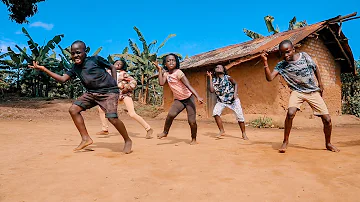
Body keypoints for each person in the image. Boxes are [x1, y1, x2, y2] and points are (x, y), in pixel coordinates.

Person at [28, 40, 132, 153]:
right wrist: (44, 69)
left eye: (78, 52)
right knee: (73, 109)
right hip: (92, 93)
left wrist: (114, 82)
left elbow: (112, 67)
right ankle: (86, 138)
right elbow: (63, 79)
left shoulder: (95, 59)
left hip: (109, 92)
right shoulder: (75, 68)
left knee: (112, 118)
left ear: (85, 51)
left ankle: (127, 140)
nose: (75, 55)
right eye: (72, 53)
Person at [260, 39, 339, 153]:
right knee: (290, 113)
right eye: (282, 53)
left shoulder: (304, 56)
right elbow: (269, 78)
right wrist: (265, 62)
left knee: (327, 120)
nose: (285, 55)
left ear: (293, 49)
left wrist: (320, 84)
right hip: (297, 92)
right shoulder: (281, 65)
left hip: (312, 91)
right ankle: (285, 141)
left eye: (287, 52)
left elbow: (315, 67)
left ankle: (328, 143)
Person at [153, 53, 203, 145]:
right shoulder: (166, 74)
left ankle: (194, 139)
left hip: (189, 98)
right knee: (170, 115)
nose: (171, 62)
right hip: (179, 100)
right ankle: (165, 132)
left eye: (173, 60)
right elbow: (161, 83)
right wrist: (159, 70)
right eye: (168, 61)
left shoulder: (179, 72)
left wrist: (197, 96)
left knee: (192, 121)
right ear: (165, 64)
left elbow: (188, 85)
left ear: (176, 62)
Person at [96, 59, 153, 139]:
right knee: (101, 109)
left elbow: (133, 82)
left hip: (124, 95)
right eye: (116, 63)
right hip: (113, 96)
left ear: (122, 66)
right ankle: (105, 129)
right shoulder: (107, 72)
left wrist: (127, 88)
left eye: (120, 64)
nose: (118, 64)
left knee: (132, 114)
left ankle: (148, 129)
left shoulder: (124, 74)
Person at [207, 65, 248, 140]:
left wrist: (235, 94)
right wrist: (210, 77)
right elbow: (212, 90)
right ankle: (222, 131)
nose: (218, 68)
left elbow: (235, 84)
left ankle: (244, 133)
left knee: (240, 117)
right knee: (215, 113)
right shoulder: (214, 80)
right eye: (216, 67)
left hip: (233, 100)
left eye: (220, 67)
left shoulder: (228, 77)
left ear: (223, 70)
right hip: (221, 101)